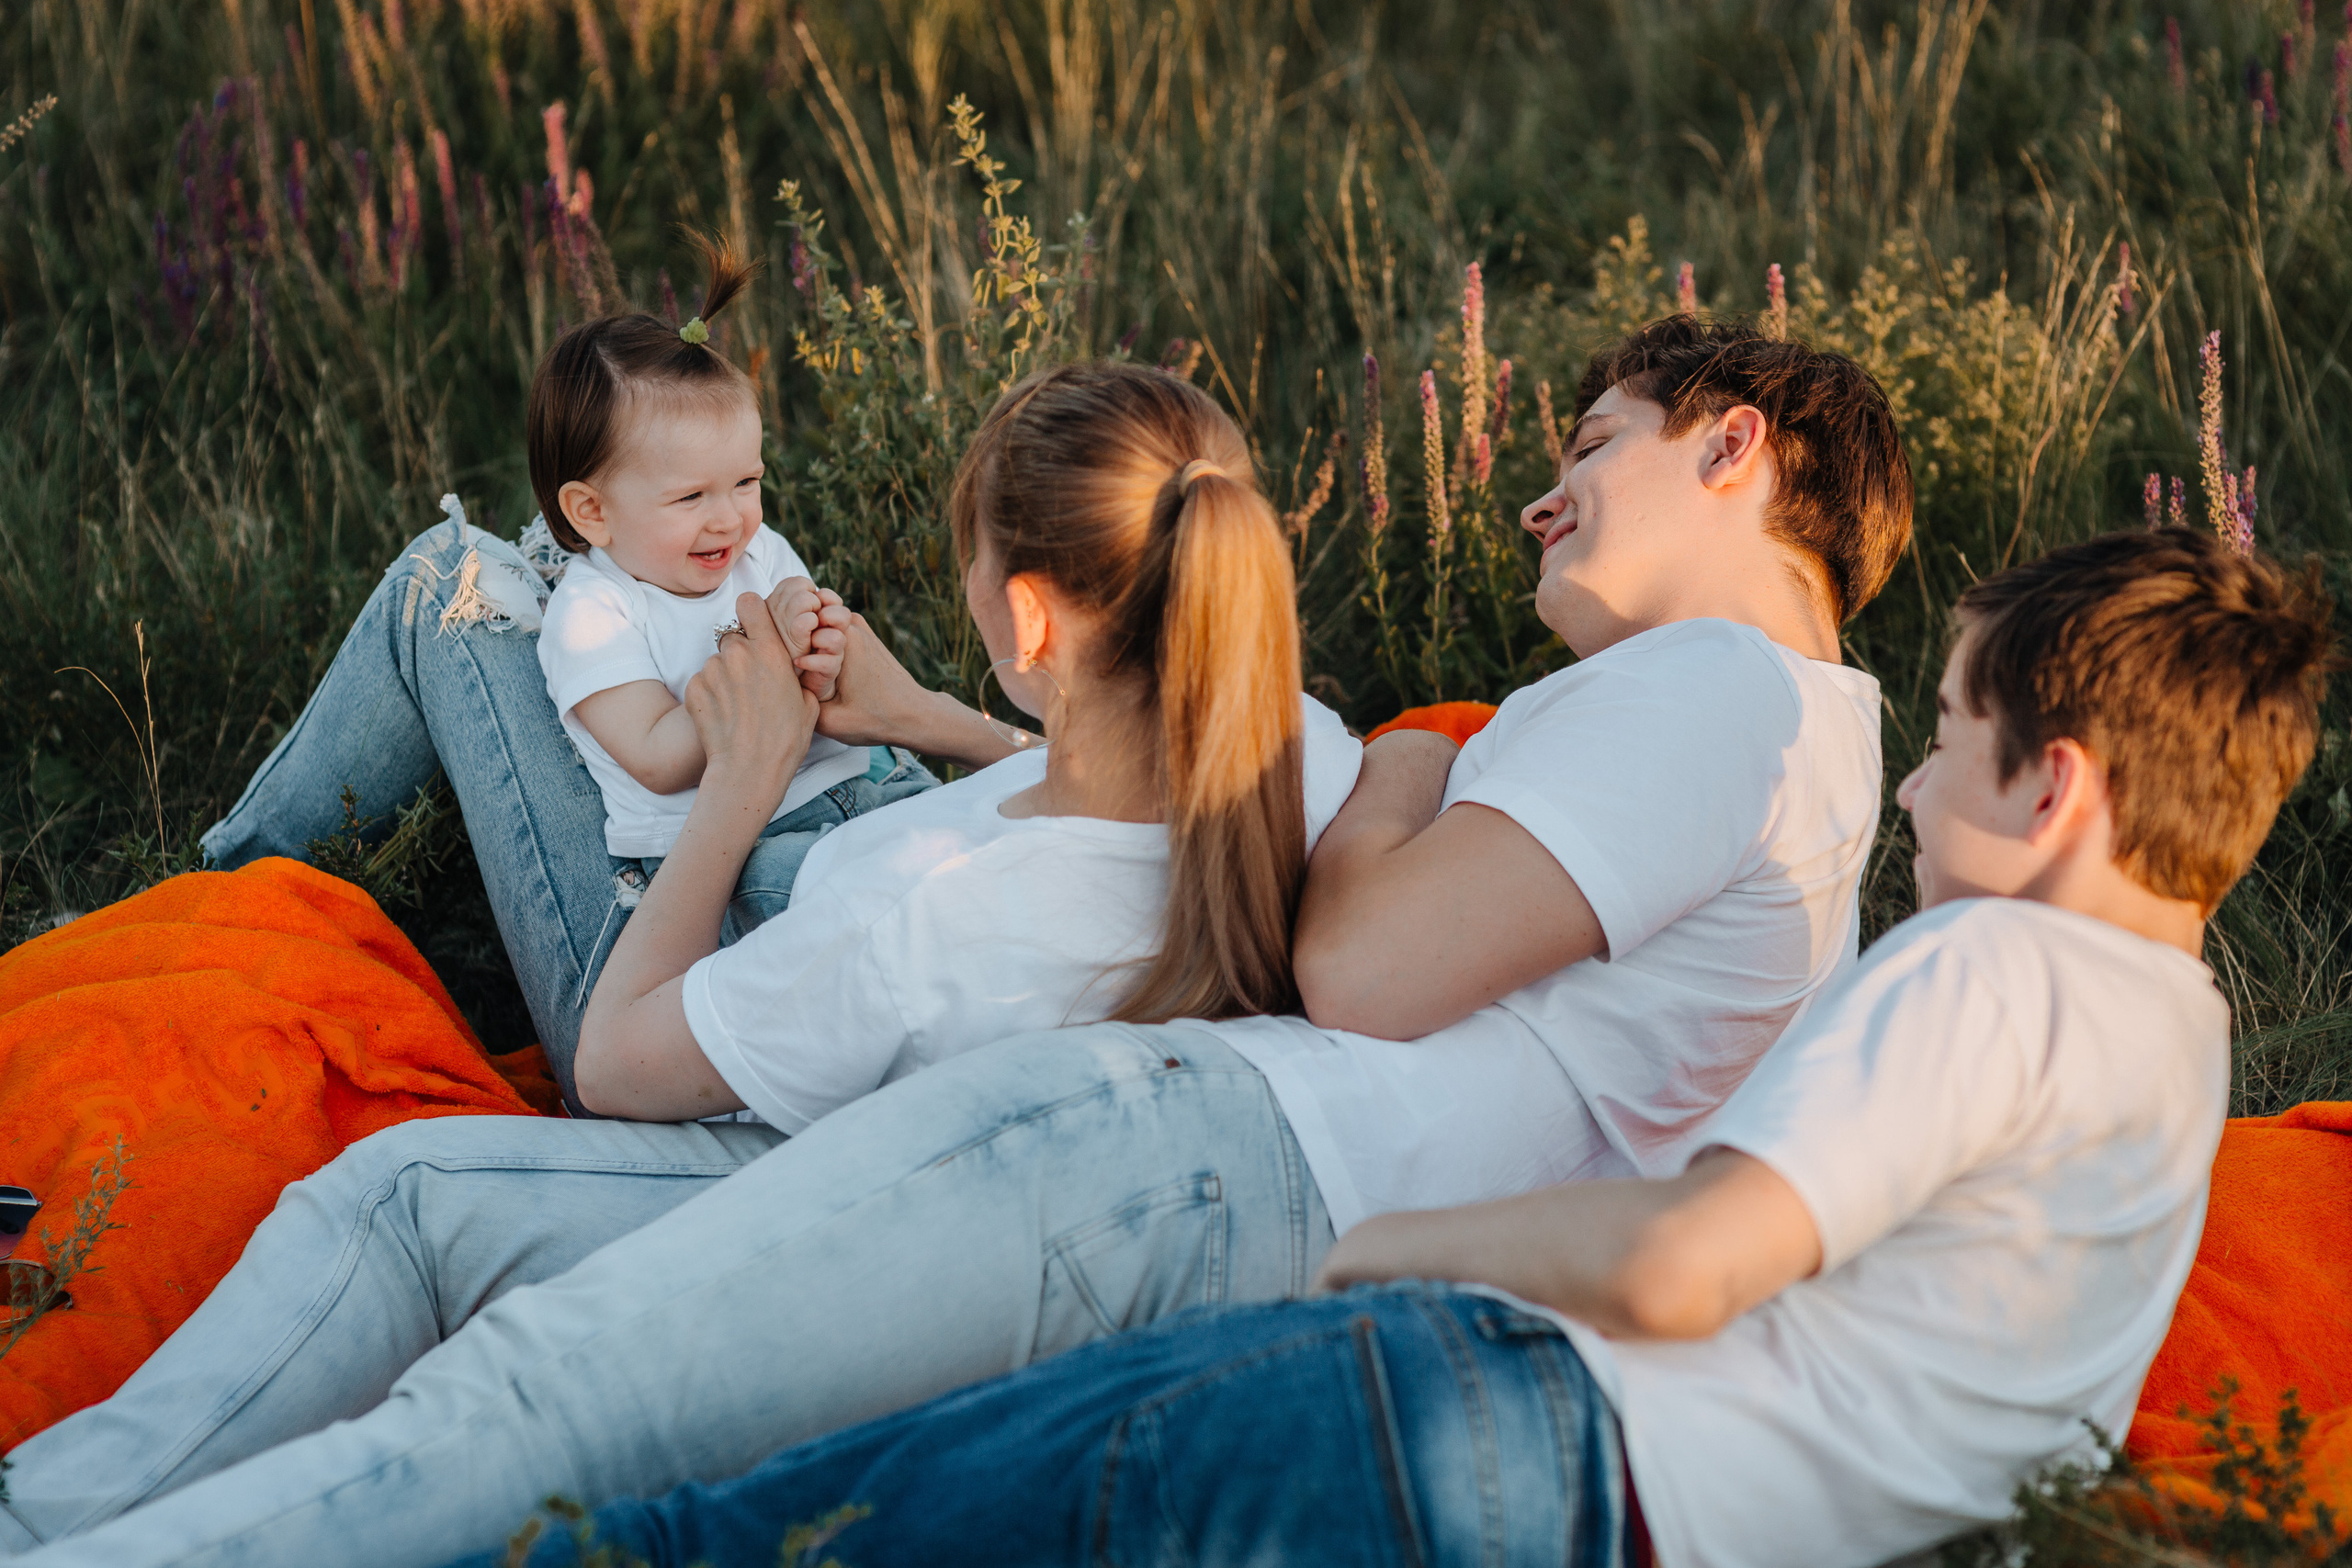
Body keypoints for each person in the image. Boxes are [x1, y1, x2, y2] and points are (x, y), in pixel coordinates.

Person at [0, 318, 1913, 1567]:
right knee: (444, 1240)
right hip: (1194, 1155)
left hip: (1167, 1142)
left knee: (539, 1400)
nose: (1537, 481)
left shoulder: (1715, 694)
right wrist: (979, 728)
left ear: (1732, 447)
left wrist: (1424, 764)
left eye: (1592, 439)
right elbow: (1239, 826)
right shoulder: (1741, 736)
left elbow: (1363, 966)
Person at [456, 526, 2340, 1568]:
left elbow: (1687, 1258)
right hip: (1600, 1521)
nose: (1915, 779)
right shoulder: (2178, 1044)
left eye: (1947, 737)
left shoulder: (1986, 972)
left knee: (748, 1526)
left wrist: (1392, 1253)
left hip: (1479, 1413)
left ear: (2061, 784)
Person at [525, 234, 873, 951]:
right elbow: (659, 756)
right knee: (855, 936)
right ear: (593, 512)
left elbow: (826, 677)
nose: (731, 518)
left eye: (747, 482)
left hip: (858, 788)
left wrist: (821, 644)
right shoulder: (593, 613)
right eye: (690, 496)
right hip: (731, 853)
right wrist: (765, 654)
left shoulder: (758, 552)